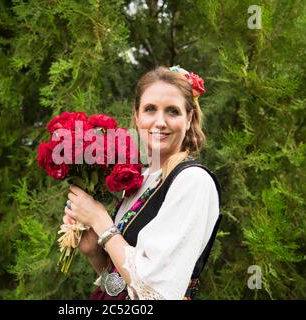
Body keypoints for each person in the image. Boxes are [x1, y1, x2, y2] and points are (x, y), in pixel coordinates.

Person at [63, 65, 222, 300]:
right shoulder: (143, 179)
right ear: (137, 116)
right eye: (150, 109)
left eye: (172, 111)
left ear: (188, 119)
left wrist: (100, 220)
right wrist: (95, 253)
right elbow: (121, 288)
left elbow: (156, 293)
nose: (160, 122)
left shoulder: (193, 181)